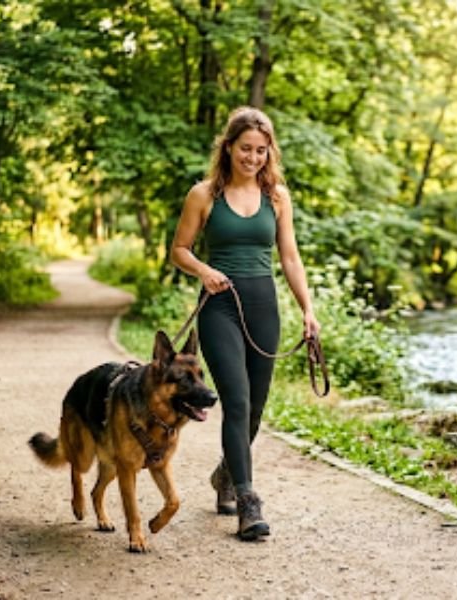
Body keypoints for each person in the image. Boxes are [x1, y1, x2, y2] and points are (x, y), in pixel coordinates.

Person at [170, 106, 320, 541]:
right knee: (235, 401)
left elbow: (289, 257)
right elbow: (179, 249)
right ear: (229, 147)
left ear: (268, 152)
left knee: (254, 406)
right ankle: (248, 501)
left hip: (262, 304)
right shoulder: (204, 194)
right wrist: (203, 270)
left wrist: (308, 310)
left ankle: (225, 475)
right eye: (245, 149)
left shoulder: (277, 197)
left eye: (261, 150)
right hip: (219, 306)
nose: (252, 158)